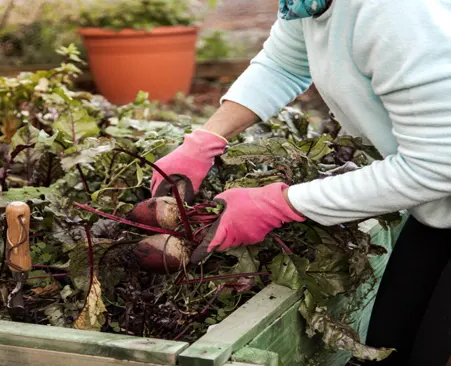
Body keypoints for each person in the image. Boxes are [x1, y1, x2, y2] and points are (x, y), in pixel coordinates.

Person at [149, 1, 451, 365]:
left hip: (437, 182)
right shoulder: (309, 5)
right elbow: (283, 63)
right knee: (391, 342)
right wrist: (205, 139)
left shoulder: (396, 13)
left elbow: (437, 164)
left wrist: (282, 204)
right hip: (436, 214)